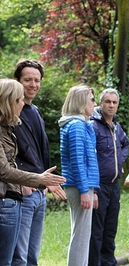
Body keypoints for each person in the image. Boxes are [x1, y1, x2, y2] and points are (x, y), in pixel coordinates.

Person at [0, 78, 66, 266]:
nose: (23, 104)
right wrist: (38, 179)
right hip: (6, 203)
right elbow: (4, 170)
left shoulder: (9, 128)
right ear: (10, 102)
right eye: (20, 100)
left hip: (14, 200)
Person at [88, 88, 129, 266]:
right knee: (96, 232)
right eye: (108, 102)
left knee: (110, 230)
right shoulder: (93, 126)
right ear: (100, 103)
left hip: (114, 186)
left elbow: (126, 143)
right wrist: (94, 190)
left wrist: (118, 162)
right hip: (99, 186)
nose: (111, 105)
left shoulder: (117, 126)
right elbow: (88, 157)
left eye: (114, 102)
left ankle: (109, 262)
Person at [59, 84, 100, 266]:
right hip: (78, 185)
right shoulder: (76, 126)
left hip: (83, 185)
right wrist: (85, 190)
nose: (95, 103)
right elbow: (77, 160)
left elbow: (88, 159)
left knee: (83, 235)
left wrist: (93, 190)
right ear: (81, 102)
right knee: (81, 237)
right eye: (92, 99)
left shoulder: (82, 125)